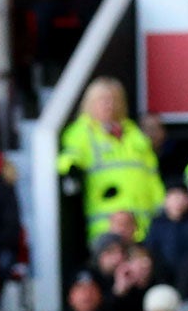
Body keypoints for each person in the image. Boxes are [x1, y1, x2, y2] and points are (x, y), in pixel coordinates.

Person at [55, 77, 163, 242]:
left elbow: (151, 174)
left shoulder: (133, 133)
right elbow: (69, 157)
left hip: (143, 222)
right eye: (102, 100)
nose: (109, 105)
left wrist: (161, 207)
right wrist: (70, 167)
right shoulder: (82, 131)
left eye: (114, 99)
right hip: (107, 224)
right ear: (90, 103)